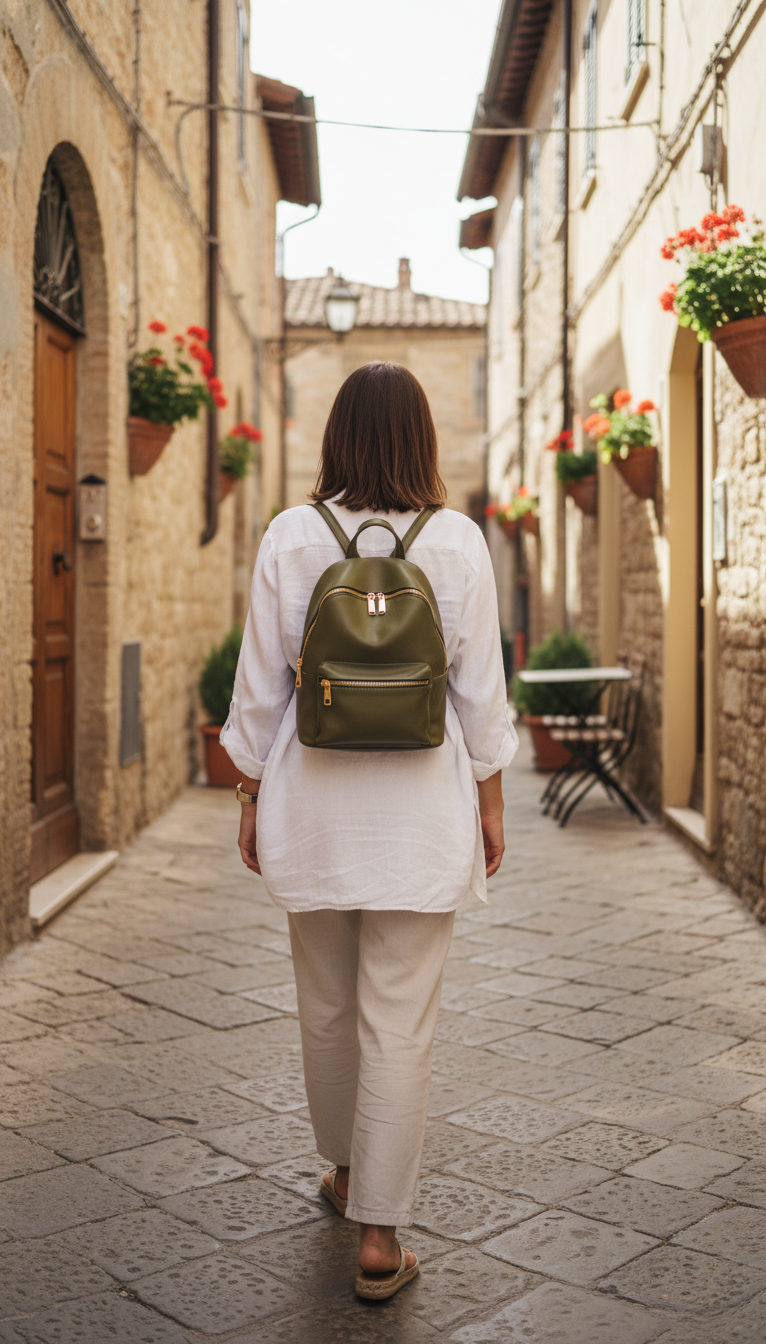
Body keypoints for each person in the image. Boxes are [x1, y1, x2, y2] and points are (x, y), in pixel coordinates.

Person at [221, 361, 517, 1299]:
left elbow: (260, 690)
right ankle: (381, 1233)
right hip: (422, 820)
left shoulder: (291, 535)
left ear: (337, 435)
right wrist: (492, 804)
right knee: (401, 1020)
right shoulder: (460, 542)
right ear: (423, 437)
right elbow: (482, 695)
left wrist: (249, 797)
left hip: (315, 808)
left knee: (326, 1007)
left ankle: (345, 1171)